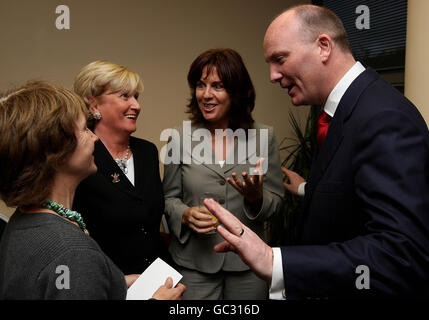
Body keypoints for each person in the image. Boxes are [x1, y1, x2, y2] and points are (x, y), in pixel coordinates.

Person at [206, 5, 429, 299]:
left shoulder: (384, 118)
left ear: (323, 47)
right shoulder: (343, 113)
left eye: (279, 59)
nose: (272, 75)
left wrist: (275, 262)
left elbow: (401, 256)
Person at [0, 81, 185, 299]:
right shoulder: (73, 252)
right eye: (84, 129)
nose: (94, 137)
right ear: (57, 150)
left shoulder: (23, 221)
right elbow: (71, 267)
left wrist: (110, 281)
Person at [162, 48, 284, 300]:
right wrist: (184, 215)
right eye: (200, 85)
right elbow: (167, 199)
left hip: (248, 265)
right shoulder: (178, 137)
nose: (206, 95)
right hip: (194, 264)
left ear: (236, 92)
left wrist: (256, 198)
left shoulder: (264, 137)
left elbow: (277, 202)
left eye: (217, 86)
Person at [72, 60, 172, 275]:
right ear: (94, 104)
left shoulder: (148, 152)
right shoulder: (79, 156)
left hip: (159, 278)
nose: (136, 105)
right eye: (125, 96)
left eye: (136, 97)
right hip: (107, 281)